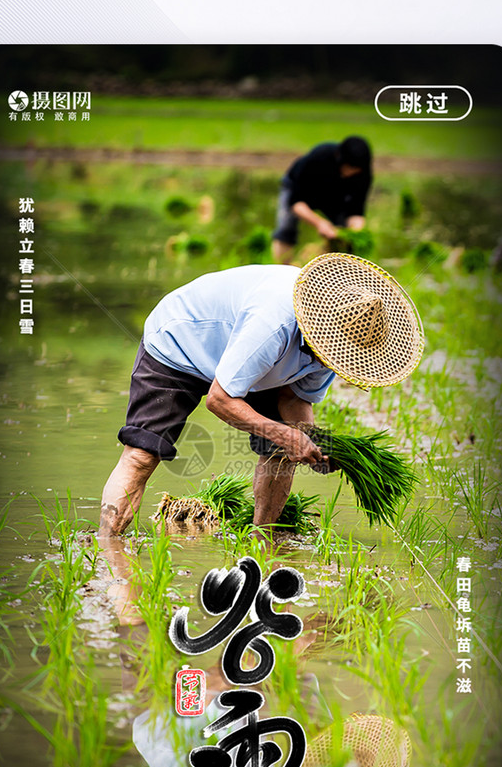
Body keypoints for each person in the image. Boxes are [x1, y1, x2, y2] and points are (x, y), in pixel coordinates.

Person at [99, 254, 423, 537]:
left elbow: (295, 399)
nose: (334, 360)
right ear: (319, 325)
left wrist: (310, 442)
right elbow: (220, 399)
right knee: (142, 455)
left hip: (252, 363)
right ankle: (106, 548)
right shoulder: (273, 321)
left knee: (282, 452)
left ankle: (262, 541)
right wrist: (283, 433)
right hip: (180, 343)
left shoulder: (337, 346)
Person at [272, 136, 372, 263]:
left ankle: (326, 273)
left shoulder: (363, 173)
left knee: (341, 237)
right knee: (286, 229)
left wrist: (354, 233)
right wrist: (320, 223)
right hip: (299, 189)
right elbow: (296, 203)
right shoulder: (319, 158)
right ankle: (284, 269)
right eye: (348, 168)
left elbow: (356, 210)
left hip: (333, 194)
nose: (350, 173)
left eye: (355, 170)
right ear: (339, 159)